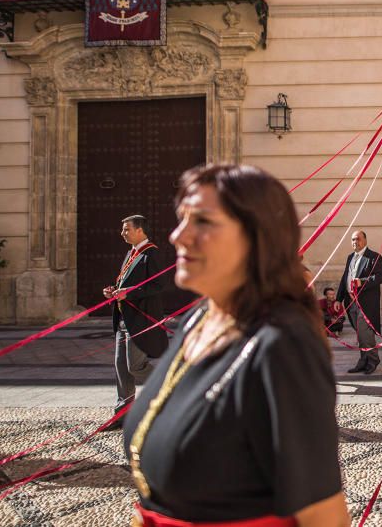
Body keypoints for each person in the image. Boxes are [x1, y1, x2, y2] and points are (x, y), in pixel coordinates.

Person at [122, 163, 348, 526]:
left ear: (258, 237)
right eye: (182, 219)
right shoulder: (199, 319)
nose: (178, 236)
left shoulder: (283, 346)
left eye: (203, 222)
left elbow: (325, 517)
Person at [103, 215, 168, 430]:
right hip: (124, 319)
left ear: (140, 230)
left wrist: (128, 293)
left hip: (141, 320)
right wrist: (114, 291)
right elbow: (127, 282)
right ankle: (122, 414)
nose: (123, 233)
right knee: (121, 368)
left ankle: (168, 390)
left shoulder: (151, 254)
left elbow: (158, 286)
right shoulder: (131, 253)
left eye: (126, 229)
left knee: (135, 366)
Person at [335, 230, 382, 374]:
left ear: (365, 240)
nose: (354, 242)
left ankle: (372, 360)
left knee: (365, 333)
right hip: (351, 303)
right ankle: (363, 361)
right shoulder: (350, 257)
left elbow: (381, 277)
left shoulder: (374, 257)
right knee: (361, 334)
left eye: (357, 239)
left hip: (366, 303)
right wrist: (339, 298)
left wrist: (361, 282)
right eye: (352, 240)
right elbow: (345, 277)